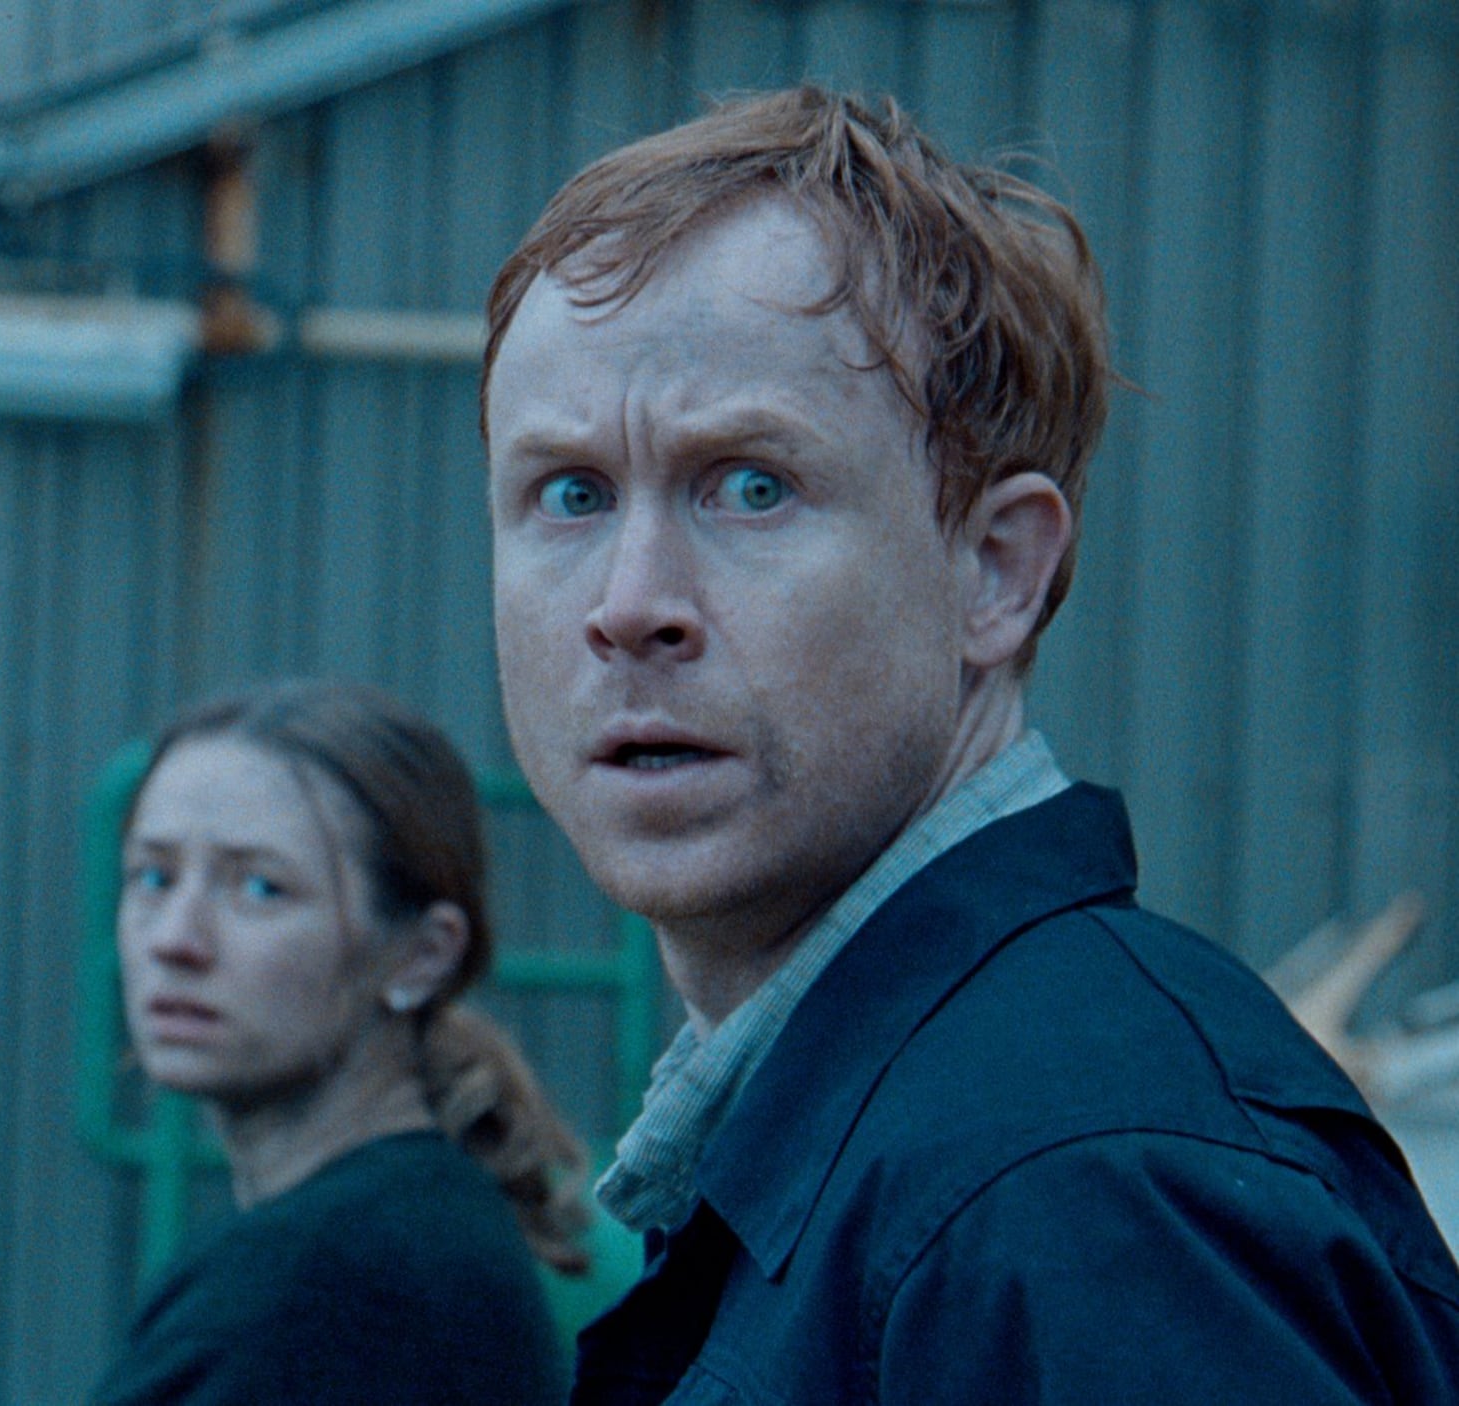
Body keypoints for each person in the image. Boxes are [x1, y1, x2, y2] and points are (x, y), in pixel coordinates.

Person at [481, 87, 1459, 1403]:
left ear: (996, 571)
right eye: (571, 493)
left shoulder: (1077, 1190)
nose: (627, 602)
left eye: (752, 485)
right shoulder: (924, 1134)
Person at [93, 679, 586, 1406]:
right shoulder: (415, 1226)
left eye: (260, 888)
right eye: (154, 876)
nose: (174, 939)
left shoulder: (316, 1282)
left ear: (422, 956)